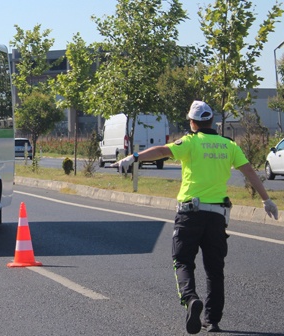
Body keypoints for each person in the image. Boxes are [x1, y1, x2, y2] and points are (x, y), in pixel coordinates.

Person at [112, 100, 278, 334]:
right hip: (218, 216)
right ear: (211, 121)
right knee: (214, 269)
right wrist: (265, 199)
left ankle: (190, 299)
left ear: (192, 122)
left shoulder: (189, 142)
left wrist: (133, 157)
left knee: (182, 261)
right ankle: (212, 320)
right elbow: (249, 170)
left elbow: (161, 150)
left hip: (190, 215)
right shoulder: (228, 145)